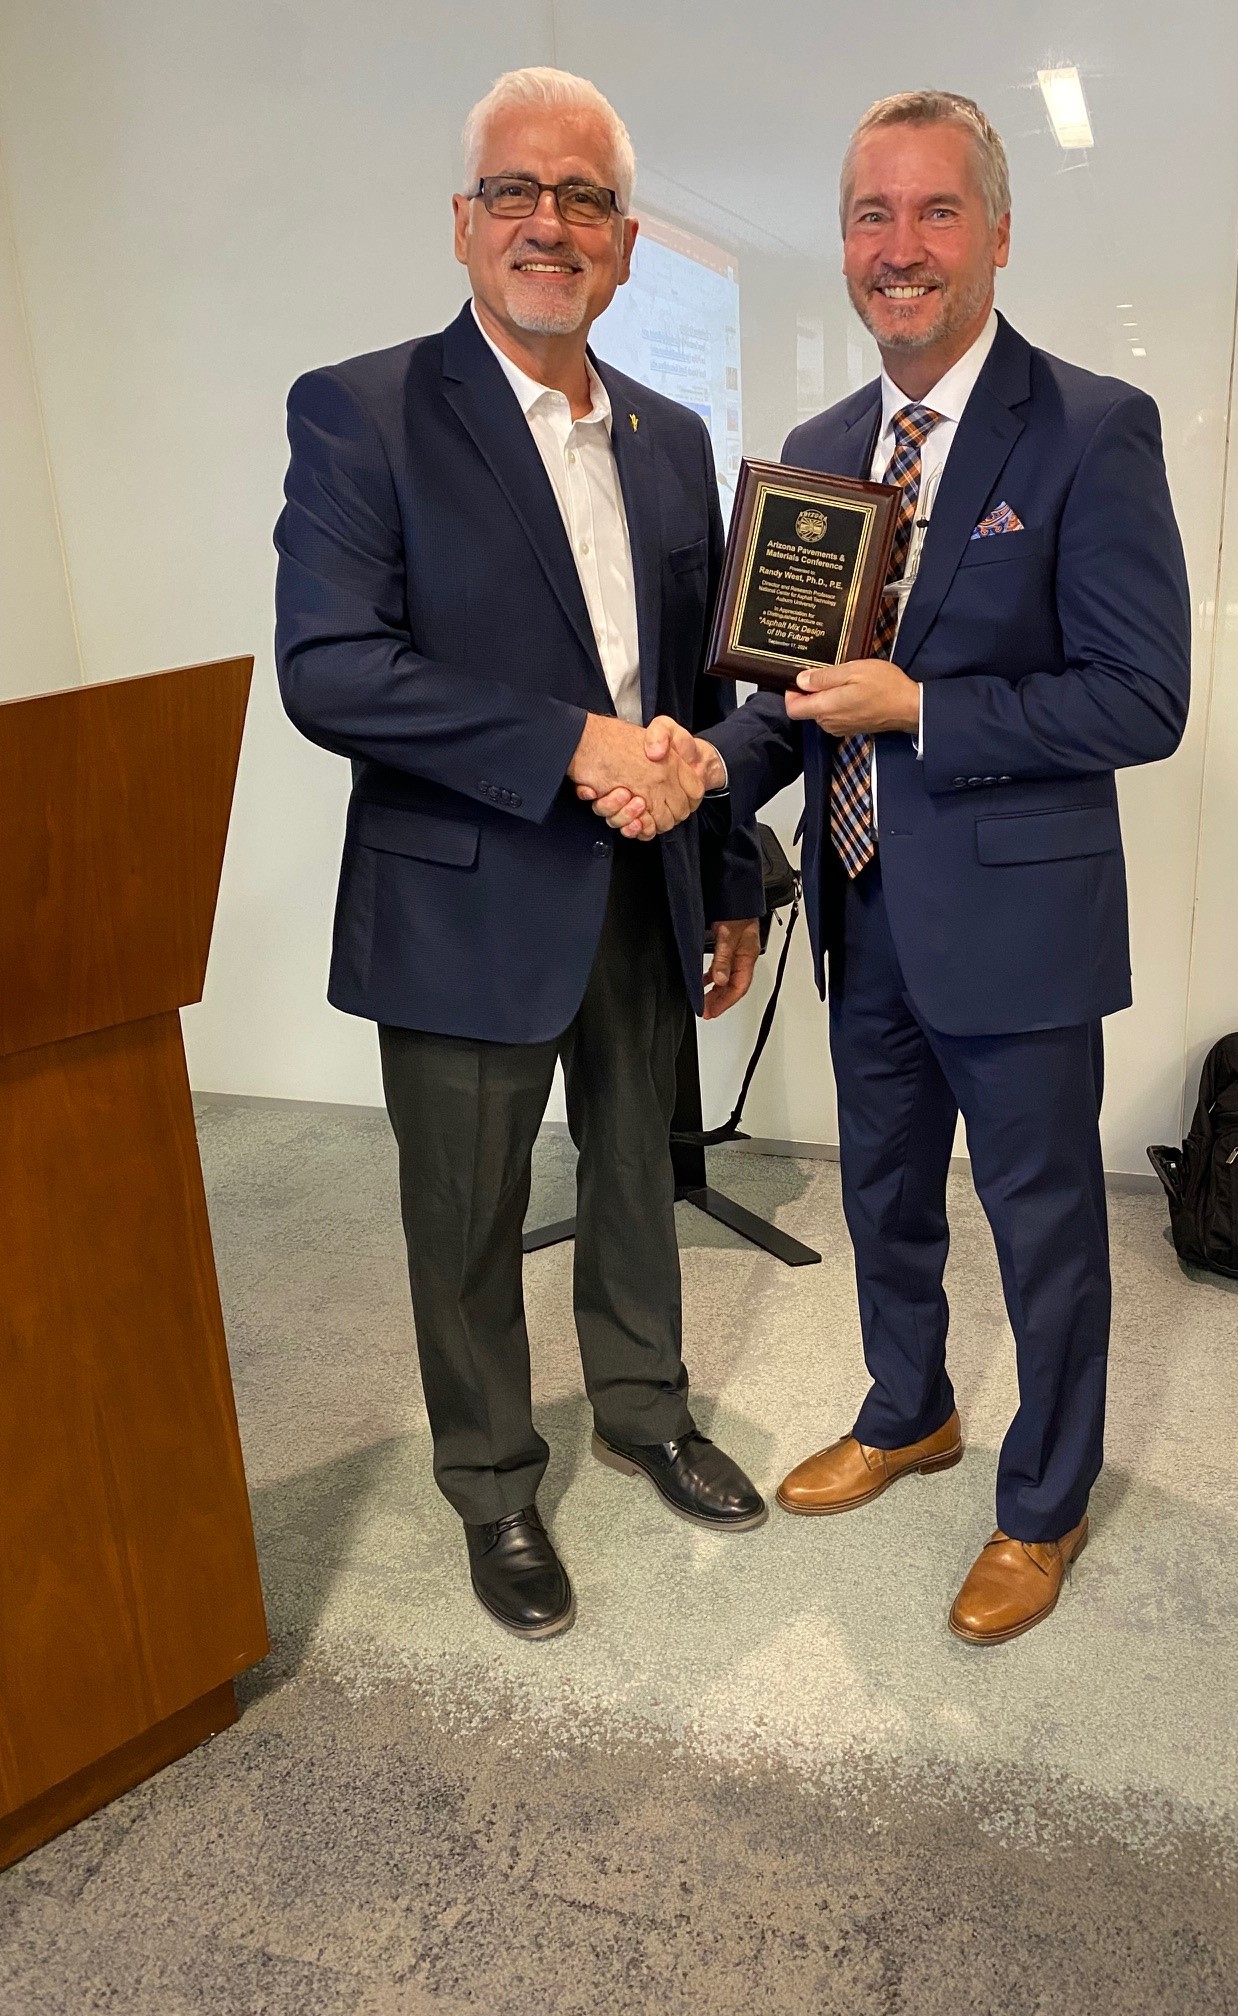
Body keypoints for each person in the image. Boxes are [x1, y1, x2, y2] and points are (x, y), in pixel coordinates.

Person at [589, 90, 1190, 1645]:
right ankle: (908, 1408)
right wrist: (707, 761)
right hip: (864, 909)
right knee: (885, 1196)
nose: (900, 248)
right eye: (873, 215)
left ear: (998, 234)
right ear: (847, 243)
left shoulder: (1091, 429)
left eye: (935, 213)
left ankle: (1044, 1504)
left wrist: (925, 709)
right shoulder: (820, 453)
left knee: (1044, 1225)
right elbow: (792, 697)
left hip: (1020, 922)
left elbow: (1143, 698)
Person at [274, 65, 766, 1642]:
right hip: (463, 896)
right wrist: (567, 743)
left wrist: (733, 875)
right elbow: (331, 670)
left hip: (644, 879)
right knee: (467, 1211)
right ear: (465, 222)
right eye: (515, 192)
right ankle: (492, 1483)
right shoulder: (363, 411)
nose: (548, 224)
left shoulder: (674, 437)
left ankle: (645, 1411)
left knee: (637, 1170)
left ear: (625, 240)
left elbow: (702, 687)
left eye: (583, 199)